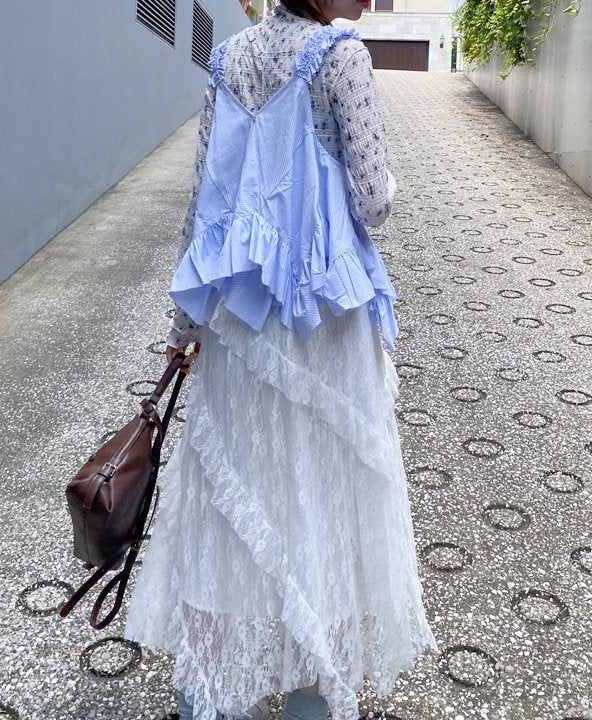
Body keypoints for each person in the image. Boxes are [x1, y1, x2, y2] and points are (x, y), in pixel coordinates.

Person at [124, 2, 436, 719]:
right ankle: (309, 703)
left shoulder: (228, 58)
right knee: (322, 513)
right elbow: (372, 200)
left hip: (239, 321)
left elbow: (202, 200)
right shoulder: (343, 57)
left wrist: (184, 325)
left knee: (227, 510)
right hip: (324, 324)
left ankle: (208, 697)